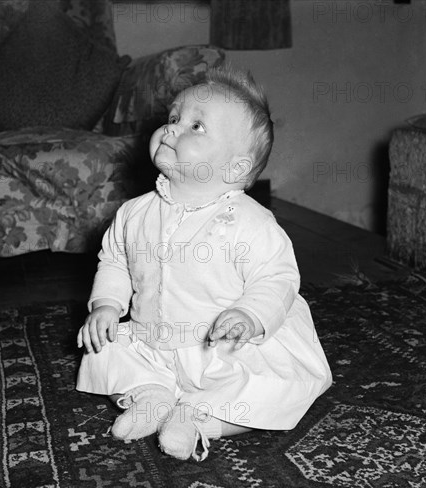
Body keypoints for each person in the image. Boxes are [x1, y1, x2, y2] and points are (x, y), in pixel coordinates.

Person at [76, 65, 332, 461]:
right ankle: (151, 395)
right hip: (153, 340)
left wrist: (249, 315)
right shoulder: (134, 213)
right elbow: (115, 261)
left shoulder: (251, 224)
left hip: (225, 348)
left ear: (234, 168)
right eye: (174, 118)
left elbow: (277, 278)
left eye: (197, 126)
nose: (172, 128)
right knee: (103, 349)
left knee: (271, 388)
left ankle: (199, 419)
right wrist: (106, 305)